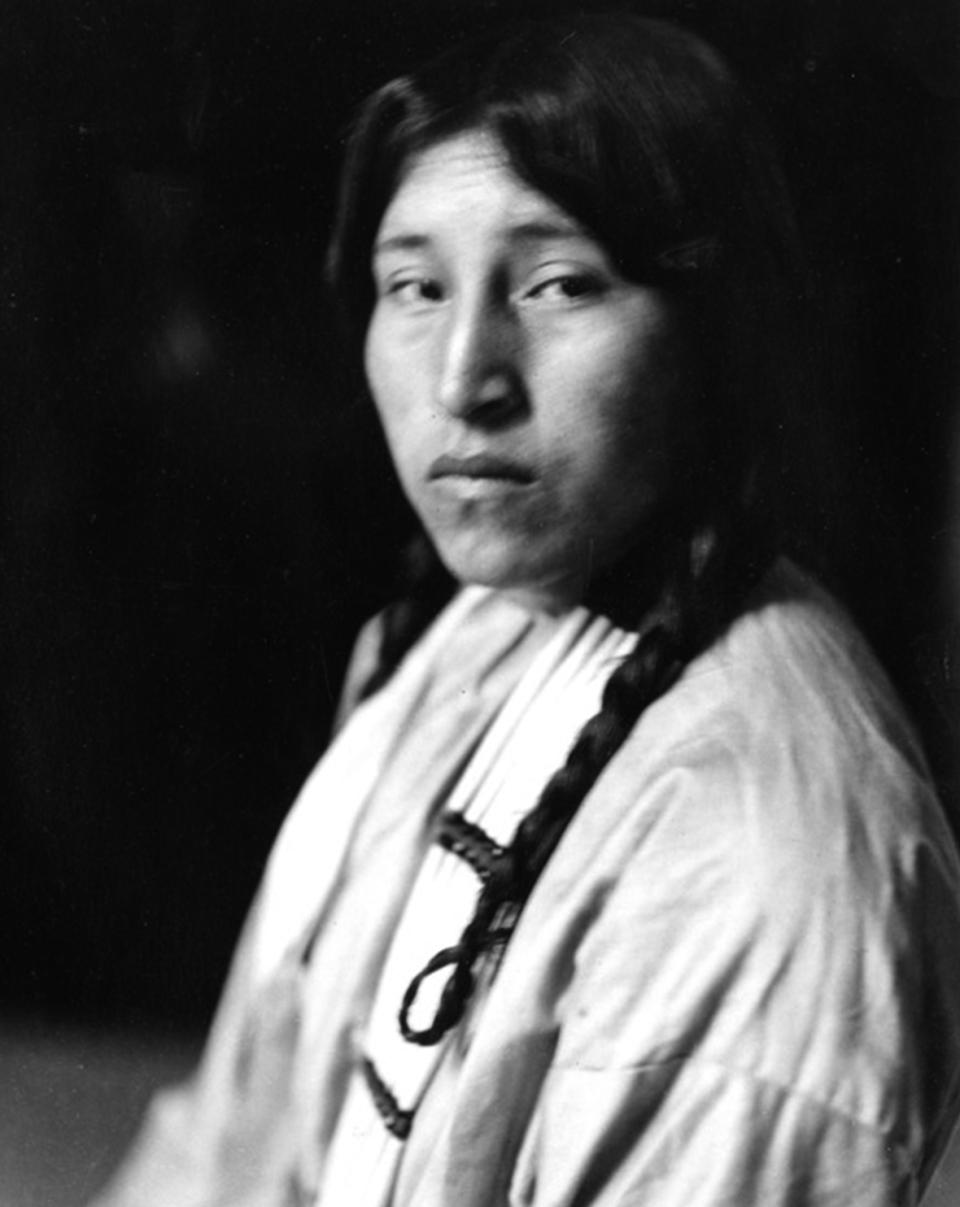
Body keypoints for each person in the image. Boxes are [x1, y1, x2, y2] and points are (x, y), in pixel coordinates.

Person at [91, 12, 960, 1206]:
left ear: (716, 327)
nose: (463, 379)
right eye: (416, 286)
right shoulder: (475, 630)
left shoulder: (760, 859)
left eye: (558, 284)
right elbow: (231, 1144)